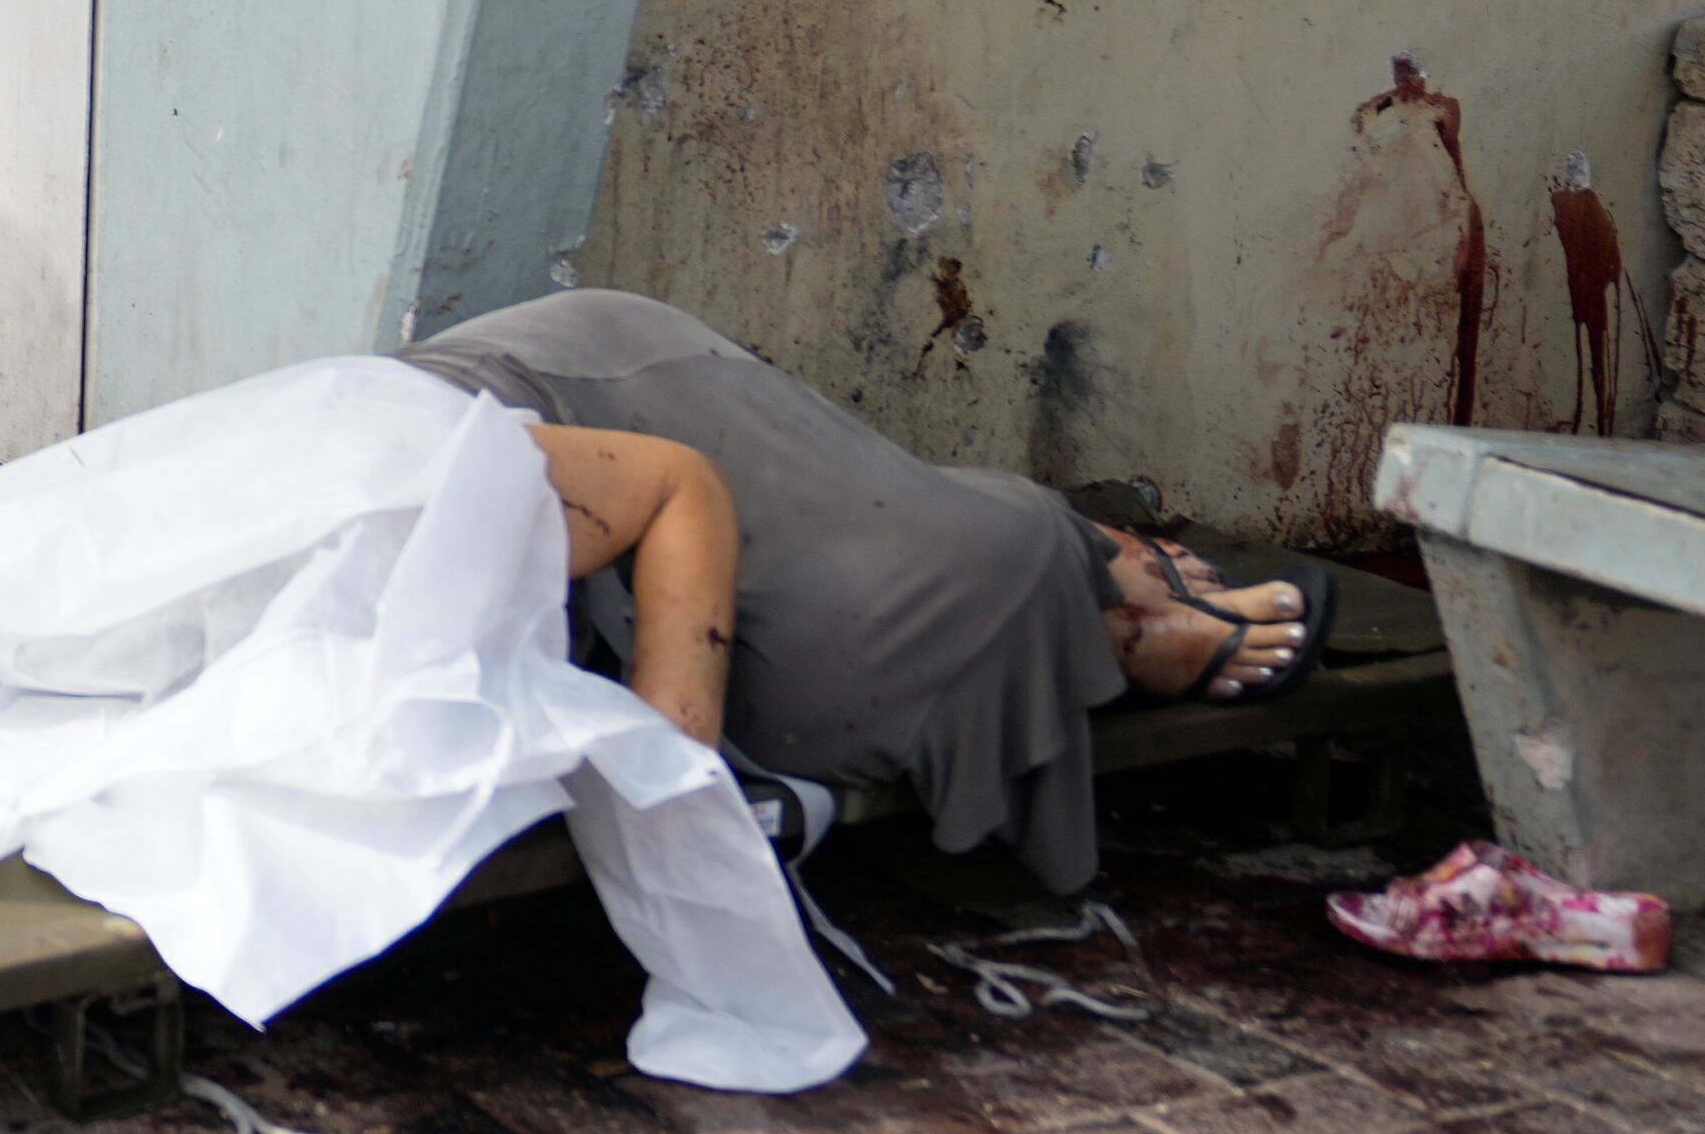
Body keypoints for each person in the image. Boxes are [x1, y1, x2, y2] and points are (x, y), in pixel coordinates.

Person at [405, 288, 1323, 889]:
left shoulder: (441, 482)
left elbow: (676, 487)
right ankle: (1102, 588)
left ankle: (1105, 583)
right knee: (928, 594)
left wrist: (678, 780)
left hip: (576, 405)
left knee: (911, 566)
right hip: (546, 579)